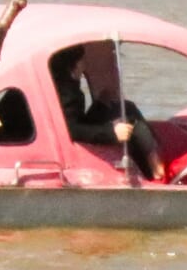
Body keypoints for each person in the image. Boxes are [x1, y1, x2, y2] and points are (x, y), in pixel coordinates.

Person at [51, 45, 166, 181]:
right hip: (76, 136)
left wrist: (100, 103)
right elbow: (70, 129)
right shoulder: (66, 93)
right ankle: (157, 171)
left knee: (126, 106)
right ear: (74, 65)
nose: (85, 64)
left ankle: (157, 157)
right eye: (82, 60)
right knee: (135, 128)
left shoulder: (69, 85)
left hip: (81, 128)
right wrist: (112, 132)